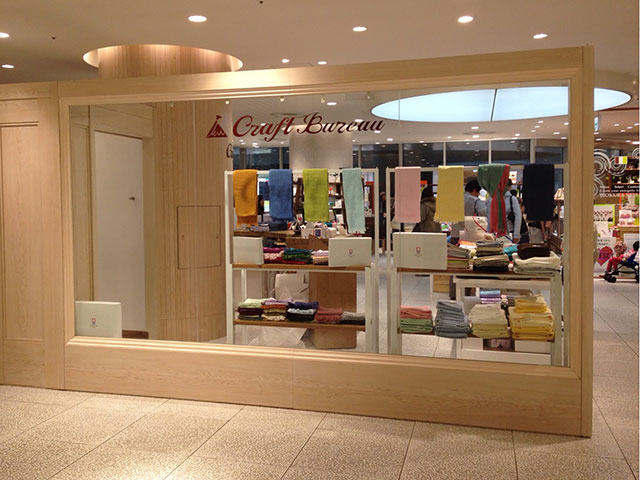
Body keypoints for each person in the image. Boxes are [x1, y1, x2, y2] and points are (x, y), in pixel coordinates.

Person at [450, 178, 487, 243]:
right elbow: (483, 212)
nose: (478, 194)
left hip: (454, 234)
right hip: (468, 235)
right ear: (475, 190)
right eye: (478, 192)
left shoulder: (456, 198)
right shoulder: (475, 200)